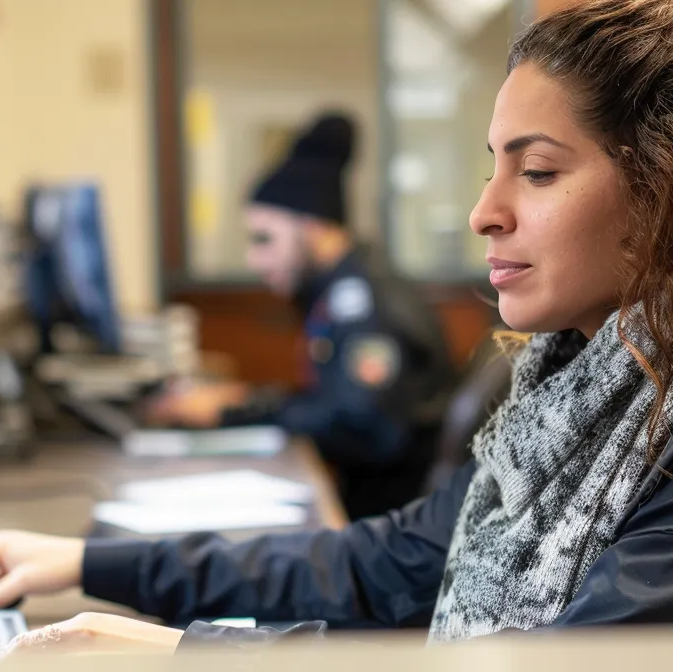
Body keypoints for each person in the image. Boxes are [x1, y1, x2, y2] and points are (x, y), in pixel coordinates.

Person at [0, 0, 673, 657]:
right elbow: (385, 564)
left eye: (540, 171)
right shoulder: (577, 392)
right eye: (493, 167)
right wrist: (93, 564)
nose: (486, 212)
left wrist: (192, 655)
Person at [149, 111, 453, 520]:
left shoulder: (363, 305)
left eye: (264, 239)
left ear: (312, 228)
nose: (253, 259)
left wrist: (232, 412)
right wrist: (244, 399)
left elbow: (363, 426)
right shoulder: (343, 290)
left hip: (389, 525)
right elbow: (333, 402)